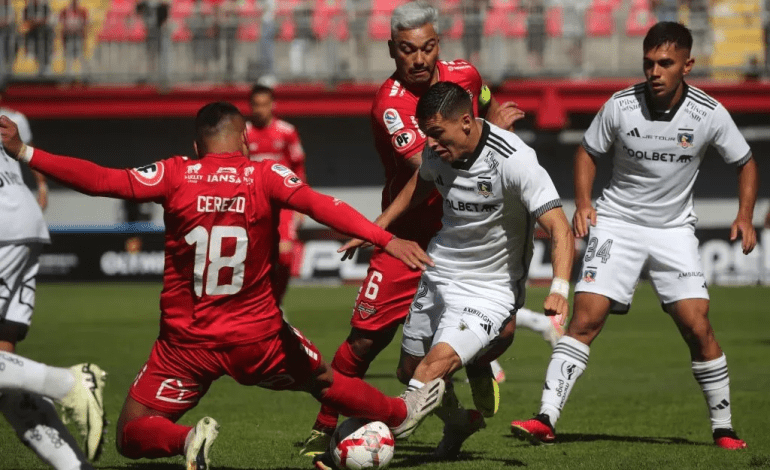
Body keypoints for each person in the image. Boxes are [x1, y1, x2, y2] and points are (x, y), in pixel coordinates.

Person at [0, 101, 446, 470]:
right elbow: (319, 204)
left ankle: (185, 439)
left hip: (185, 345)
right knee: (325, 381)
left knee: (131, 431)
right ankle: (399, 412)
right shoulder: (264, 175)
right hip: (258, 339)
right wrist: (385, 238)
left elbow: (101, 181)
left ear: (196, 145)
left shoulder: (175, 173)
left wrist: (25, 152)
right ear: (247, 142)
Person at [301, 1, 565, 459]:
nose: (419, 59)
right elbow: (420, 166)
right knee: (371, 343)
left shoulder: (465, 77)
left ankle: (386, 424)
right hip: (411, 239)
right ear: (392, 51)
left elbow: (485, 106)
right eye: (407, 50)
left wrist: (492, 127)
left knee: (447, 357)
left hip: (469, 244)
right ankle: (441, 413)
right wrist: (376, 229)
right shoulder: (393, 105)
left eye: (427, 48)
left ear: (438, 44)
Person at [511, 22, 757, 450]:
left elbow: (746, 161)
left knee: (697, 327)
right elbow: (587, 152)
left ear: (687, 65)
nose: (655, 71)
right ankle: (545, 417)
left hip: (673, 230)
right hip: (618, 224)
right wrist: (585, 203)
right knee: (585, 319)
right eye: (649, 63)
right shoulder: (620, 106)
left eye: (666, 63)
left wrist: (746, 215)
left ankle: (724, 428)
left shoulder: (709, 113)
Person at [0, 107, 106, 468]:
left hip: (2, 229)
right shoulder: (8, 113)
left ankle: (70, 384)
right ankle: (74, 466)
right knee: (5, 376)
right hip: (20, 222)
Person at [245, 84, 307, 305]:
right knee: (253, 259)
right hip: (252, 205)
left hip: (283, 205)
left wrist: (301, 203)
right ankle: (256, 304)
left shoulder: (286, 131)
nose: (260, 109)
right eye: (256, 105)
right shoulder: (243, 134)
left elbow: (298, 167)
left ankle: (275, 303)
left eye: (264, 104)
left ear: (272, 105)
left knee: (285, 257)